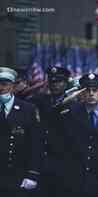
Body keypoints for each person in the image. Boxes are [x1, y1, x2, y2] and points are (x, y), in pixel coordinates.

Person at [59, 73, 98, 197]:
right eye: (87, 91)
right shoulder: (71, 114)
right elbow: (64, 146)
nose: (91, 94)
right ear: (82, 94)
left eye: (95, 90)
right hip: (76, 177)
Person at [27, 66, 71, 197]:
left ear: (66, 83)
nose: (55, 85)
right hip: (42, 161)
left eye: (59, 82)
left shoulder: (74, 104)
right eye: (52, 82)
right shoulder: (39, 101)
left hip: (64, 163)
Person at [0, 66, 42, 196]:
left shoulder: (28, 109)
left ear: (13, 86)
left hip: (17, 173)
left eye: (4, 84)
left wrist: (32, 174)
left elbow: (35, 144)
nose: (0, 88)